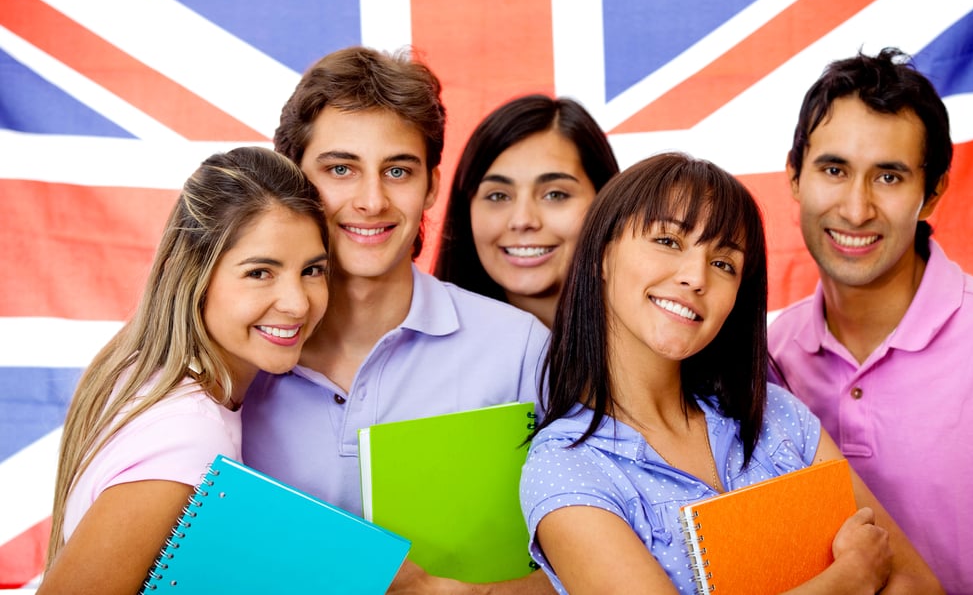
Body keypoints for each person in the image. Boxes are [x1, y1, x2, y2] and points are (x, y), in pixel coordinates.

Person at [520, 152, 942, 594]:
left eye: (724, 264)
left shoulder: (776, 415)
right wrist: (850, 578)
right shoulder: (565, 467)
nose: (695, 277)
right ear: (601, 257)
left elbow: (918, 584)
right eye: (668, 241)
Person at [240, 46, 554, 594]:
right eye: (340, 169)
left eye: (398, 171)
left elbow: (586, 566)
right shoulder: (235, 355)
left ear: (432, 185)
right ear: (290, 178)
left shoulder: (521, 349)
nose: (371, 200)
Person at [39, 147, 330, 594]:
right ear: (193, 274)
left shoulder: (147, 373)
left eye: (312, 270)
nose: (297, 302)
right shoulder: (188, 435)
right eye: (259, 273)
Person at [769, 47, 973, 595]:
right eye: (833, 169)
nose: (855, 208)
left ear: (934, 190)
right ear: (795, 176)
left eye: (889, 177)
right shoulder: (770, 357)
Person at [434, 94, 619, 327]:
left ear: (607, 201)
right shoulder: (426, 357)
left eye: (555, 195)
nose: (522, 220)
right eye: (498, 196)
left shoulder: (657, 345)